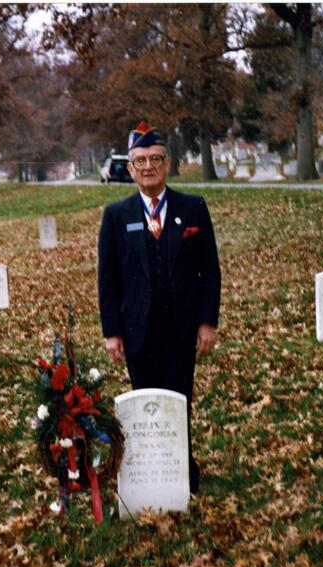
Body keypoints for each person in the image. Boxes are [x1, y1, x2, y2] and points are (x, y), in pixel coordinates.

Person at [97, 121, 221, 494]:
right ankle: (151, 474)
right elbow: (109, 280)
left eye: (155, 159)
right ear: (130, 169)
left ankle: (182, 470)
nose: (148, 167)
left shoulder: (193, 209)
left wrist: (207, 323)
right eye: (140, 161)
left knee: (180, 400)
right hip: (137, 331)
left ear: (166, 164)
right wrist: (112, 332)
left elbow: (210, 271)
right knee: (145, 404)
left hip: (182, 329)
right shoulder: (116, 216)